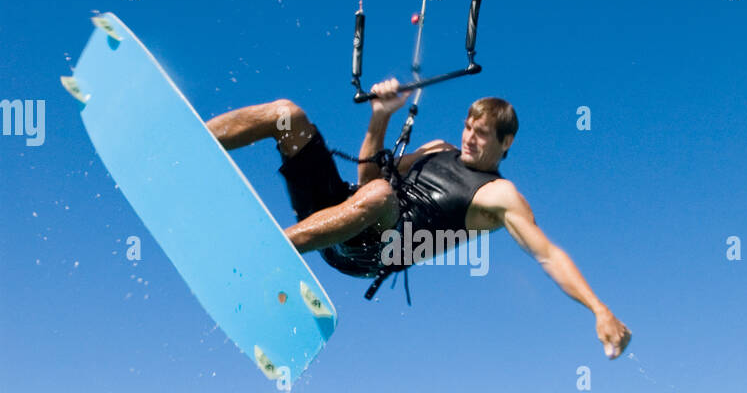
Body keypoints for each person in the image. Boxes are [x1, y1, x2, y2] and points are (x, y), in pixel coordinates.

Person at [206, 81, 631, 358]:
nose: (469, 137)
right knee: (287, 115)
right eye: (468, 126)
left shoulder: (499, 196)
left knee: (379, 196)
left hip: (370, 251)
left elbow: (548, 255)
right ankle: (192, 145)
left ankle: (266, 251)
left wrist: (599, 308)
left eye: (482, 133)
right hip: (338, 211)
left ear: (506, 143)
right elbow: (368, 176)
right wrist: (381, 115)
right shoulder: (436, 149)